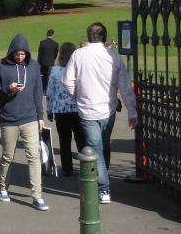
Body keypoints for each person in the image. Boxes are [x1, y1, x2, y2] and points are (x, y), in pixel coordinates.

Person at [62, 22, 138, 204]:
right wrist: (132, 111)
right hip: (108, 109)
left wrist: (76, 95)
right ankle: (104, 183)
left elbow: (67, 81)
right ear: (104, 36)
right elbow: (125, 87)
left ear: (89, 36)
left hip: (88, 109)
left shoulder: (78, 55)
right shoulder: (113, 56)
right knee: (101, 146)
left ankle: (103, 187)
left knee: (98, 148)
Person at [0, 34, 48, 210]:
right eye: (17, 54)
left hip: (29, 118)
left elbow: (38, 93)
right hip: (9, 119)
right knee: (7, 156)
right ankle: (3, 188)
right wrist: (8, 88)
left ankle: (37, 196)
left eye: (23, 54)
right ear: (12, 52)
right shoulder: (0, 66)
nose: (20, 57)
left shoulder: (34, 65)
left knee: (34, 157)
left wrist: (40, 116)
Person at [45, 42, 85, 176]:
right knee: (81, 139)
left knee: (64, 141)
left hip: (61, 111)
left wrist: (49, 110)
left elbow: (50, 92)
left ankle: (67, 169)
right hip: (77, 109)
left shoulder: (55, 70)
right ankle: (86, 166)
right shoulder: (79, 68)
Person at [37, 29, 58, 93]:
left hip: (43, 62)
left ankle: (43, 90)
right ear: (53, 35)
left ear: (47, 34)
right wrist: (53, 59)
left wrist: (39, 62)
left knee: (43, 76)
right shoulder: (55, 44)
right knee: (49, 77)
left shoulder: (42, 42)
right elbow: (55, 54)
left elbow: (40, 53)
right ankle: (48, 90)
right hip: (51, 62)